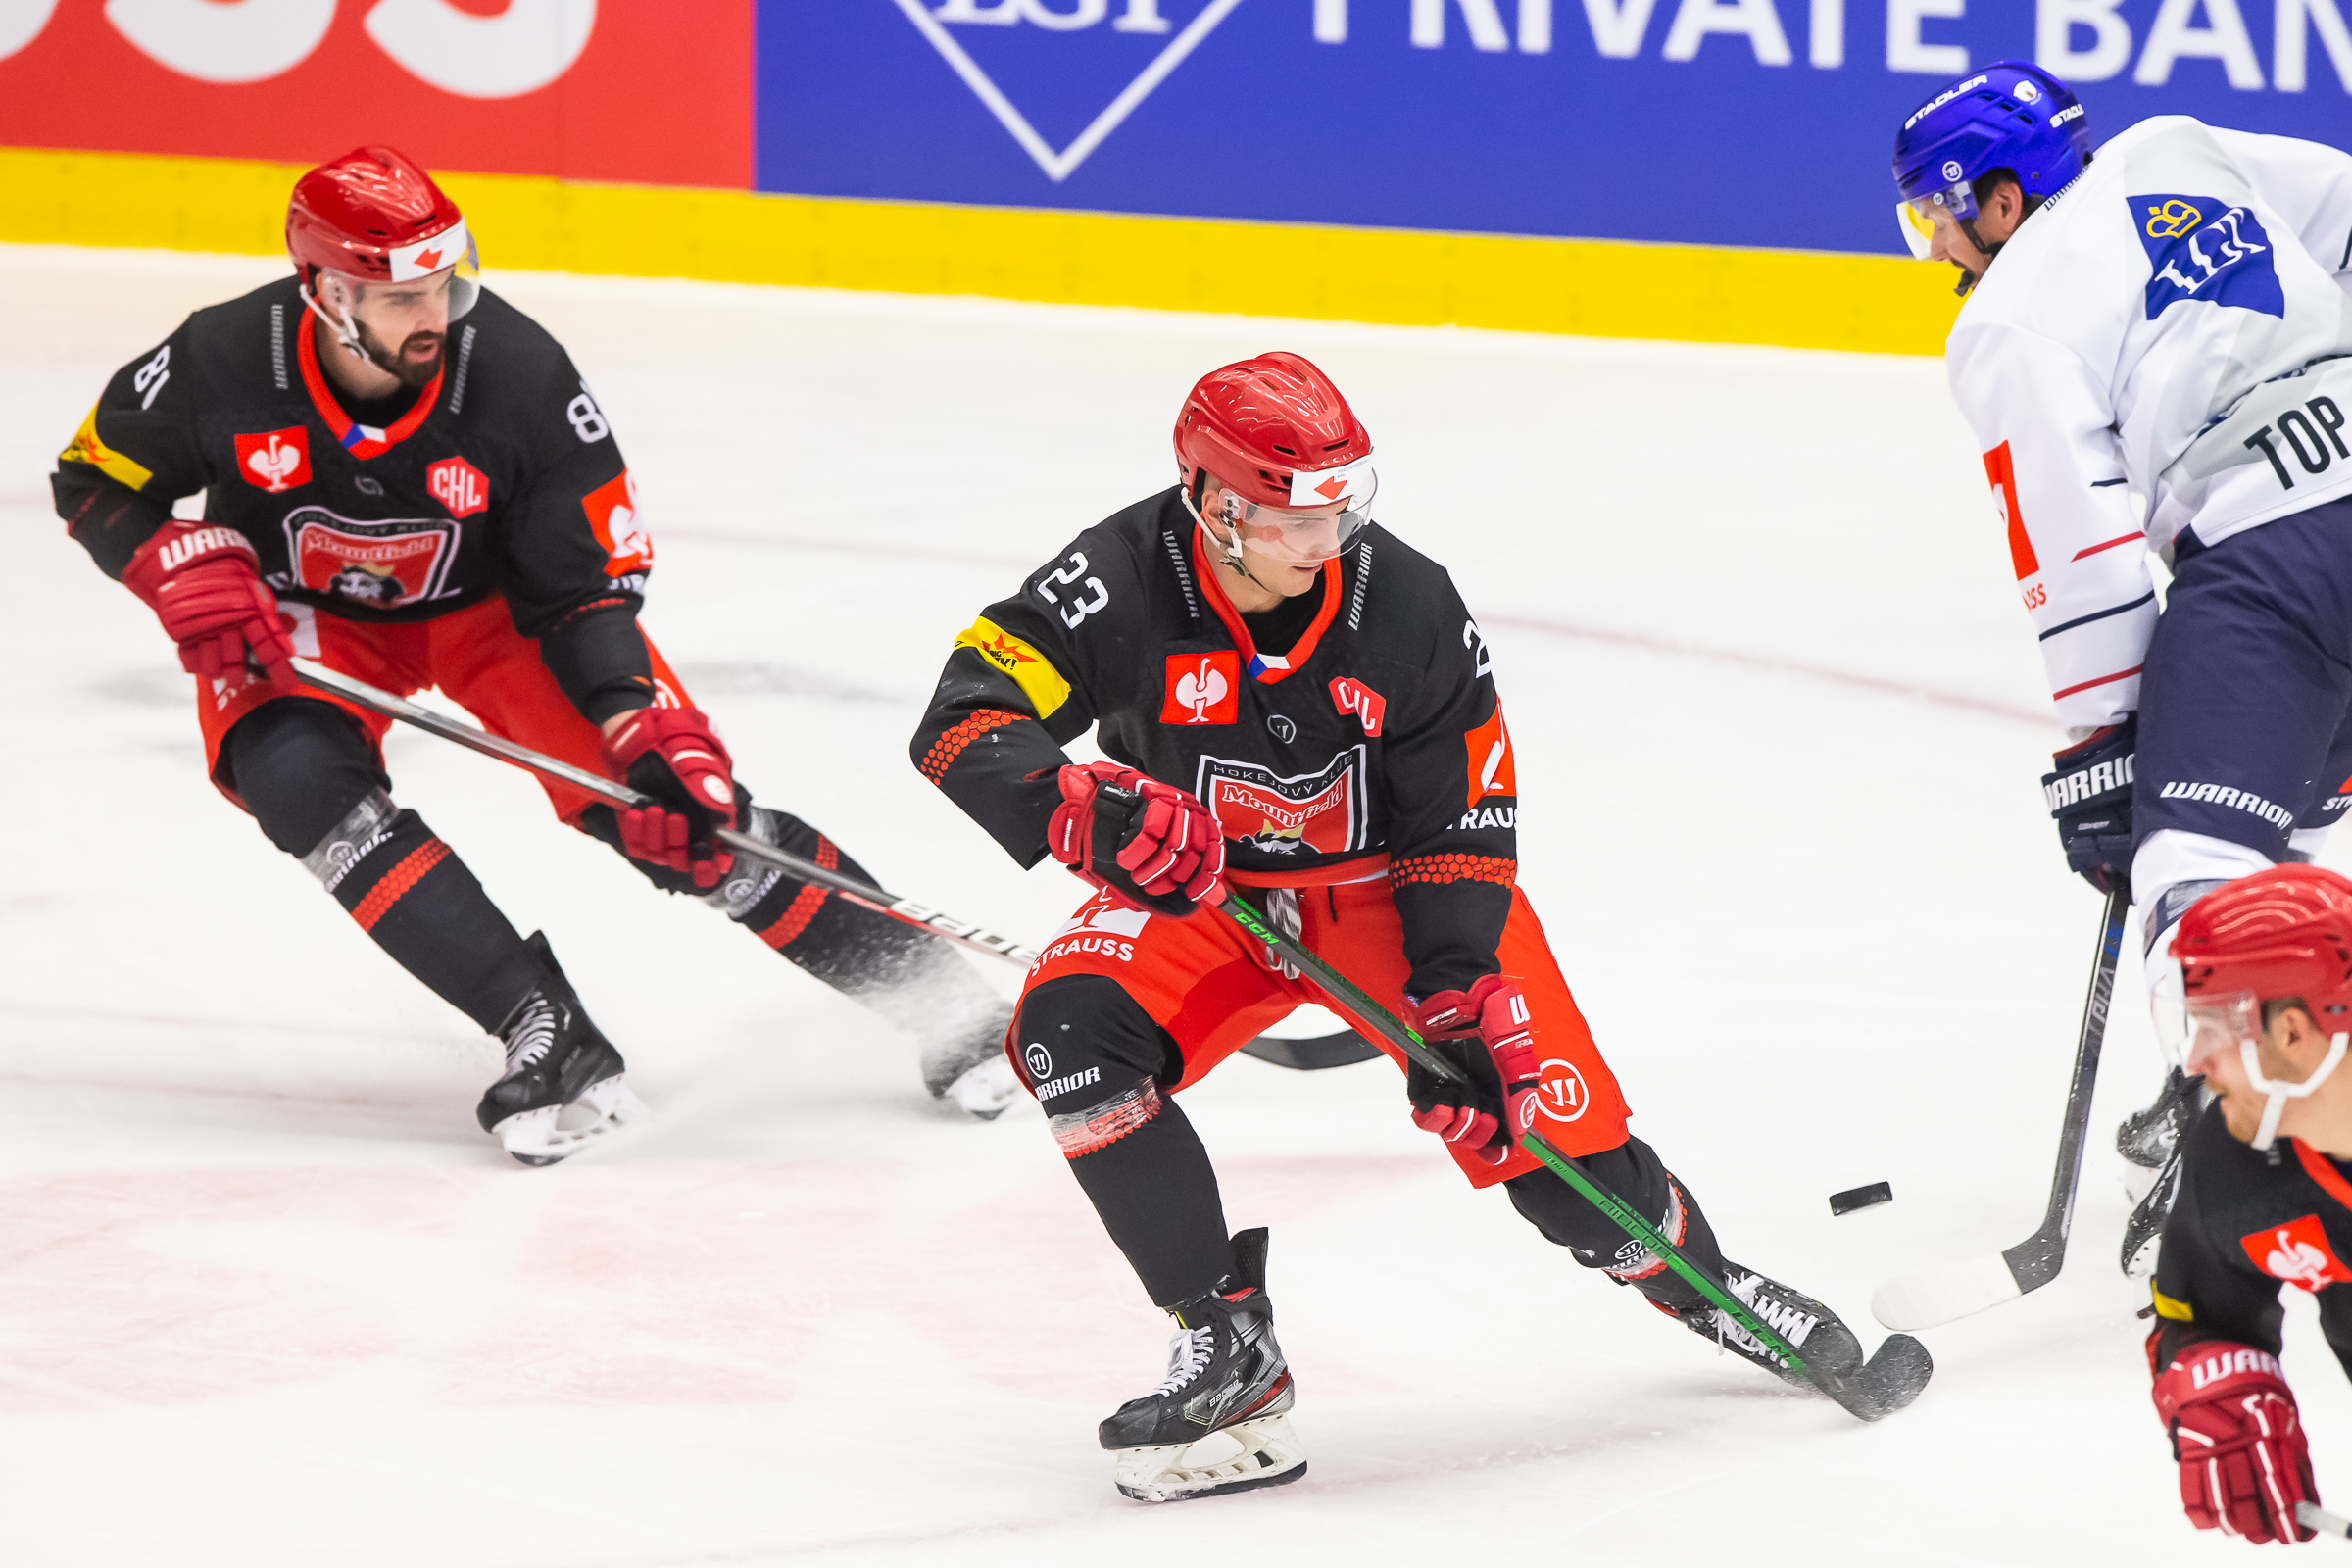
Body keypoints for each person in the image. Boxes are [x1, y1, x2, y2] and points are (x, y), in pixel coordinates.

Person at [910, 351, 1881, 1501]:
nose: (1323, 540)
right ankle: (1226, 1341)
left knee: (1540, 1144)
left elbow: (1461, 820)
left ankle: (1710, 1285)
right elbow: (962, 714)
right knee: (1070, 1035)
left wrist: (1459, 984)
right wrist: (1068, 803)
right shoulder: (1113, 579)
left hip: (1388, 893)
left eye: (1336, 508)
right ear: (1210, 500)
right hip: (1201, 891)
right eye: (1290, 516)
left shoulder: (1409, 605)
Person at [52, 145, 1017, 1163]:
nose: (434, 312)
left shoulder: (518, 375)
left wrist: (636, 720)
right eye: (402, 297)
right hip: (306, 616)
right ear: (327, 294)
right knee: (296, 785)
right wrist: (163, 558)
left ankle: (951, 1007)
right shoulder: (219, 359)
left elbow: (584, 587)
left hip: (501, 611)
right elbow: (91, 478)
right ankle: (543, 1029)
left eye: (444, 283)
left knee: (682, 812)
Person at [1890, 62, 2352, 1271]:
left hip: (2270, 555)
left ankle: (2248, 1155)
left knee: (2192, 858)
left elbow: (2078, 541)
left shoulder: (2007, 316)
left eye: (1937, 217)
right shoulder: (2178, 146)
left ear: (2000, 199)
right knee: (2290, 804)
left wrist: (2109, 744)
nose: (1937, 249)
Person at [2143, 862, 2352, 1546]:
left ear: (2292, 1031)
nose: (2196, 1061)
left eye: (2214, 1025)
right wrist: (2222, 1381)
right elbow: (2199, 1311)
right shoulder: (2236, 1169)